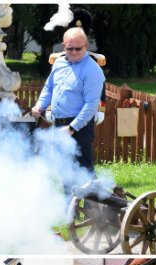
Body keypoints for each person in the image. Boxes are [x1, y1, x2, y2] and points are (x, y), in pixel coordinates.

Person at [31, 27, 106, 173]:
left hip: (80, 127)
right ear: (64, 46)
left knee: (84, 172)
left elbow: (91, 105)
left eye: (78, 49)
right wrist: (40, 105)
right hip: (60, 124)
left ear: (85, 47)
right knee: (65, 170)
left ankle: (90, 197)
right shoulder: (58, 63)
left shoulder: (93, 70)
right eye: (70, 48)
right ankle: (68, 197)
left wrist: (72, 128)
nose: (74, 52)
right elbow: (49, 87)